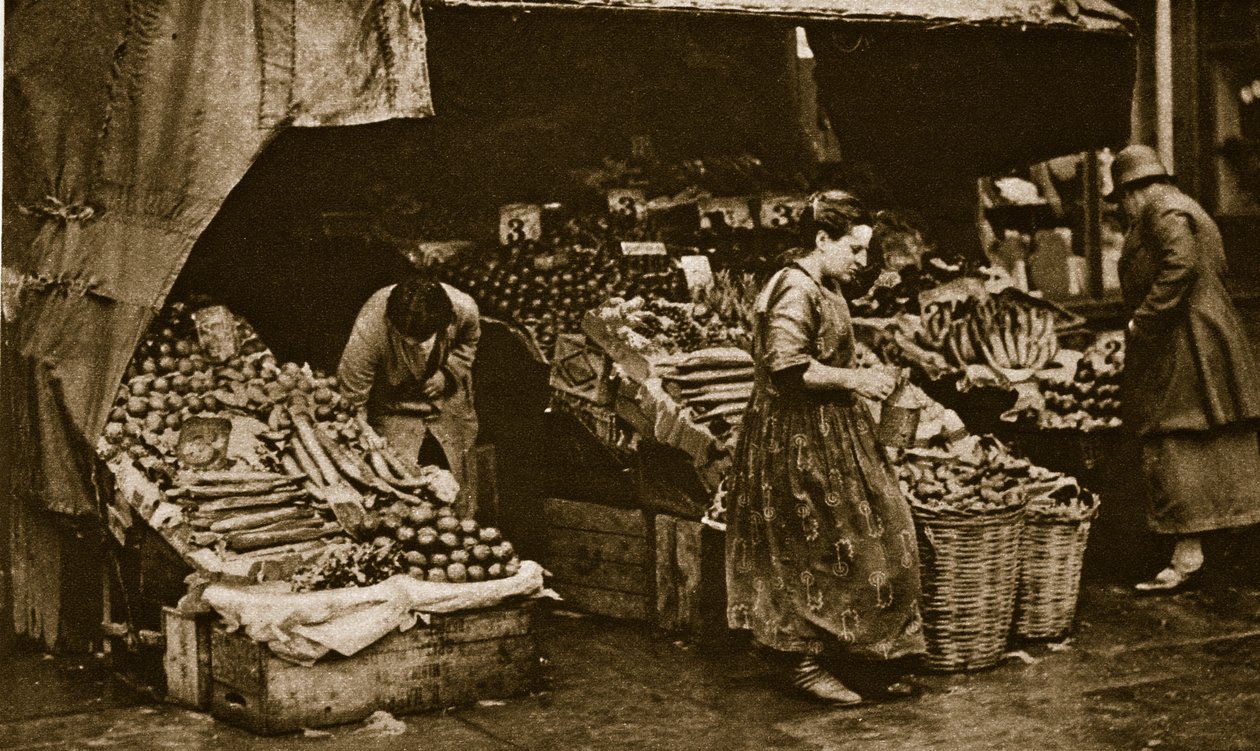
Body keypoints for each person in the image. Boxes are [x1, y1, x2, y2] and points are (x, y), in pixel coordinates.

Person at [725, 190, 925, 704]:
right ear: (821, 239)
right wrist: (856, 379)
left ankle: (863, 657)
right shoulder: (794, 286)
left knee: (879, 537)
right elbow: (787, 365)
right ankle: (799, 662)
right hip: (797, 439)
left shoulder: (825, 282)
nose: (862, 261)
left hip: (834, 431)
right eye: (854, 250)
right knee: (813, 549)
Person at [1108, 144, 1260, 593]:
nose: (1124, 210)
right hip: (1200, 335)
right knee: (1214, 436)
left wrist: (1144, 319)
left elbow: (1181, 264)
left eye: (1122, 200)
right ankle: (1202, 547)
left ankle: (1187, 553)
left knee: (1173, 433)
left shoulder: (1162, 211)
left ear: (1134, 190)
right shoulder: (1184, 205)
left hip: (1184, 338)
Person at [338, 275, 480, 488]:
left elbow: (469, 341)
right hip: (394, 405)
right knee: (396, 474)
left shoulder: (463, 308)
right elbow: (351, 397)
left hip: (446, 401)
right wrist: (363, 429)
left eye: (420, 337)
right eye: (403, 336)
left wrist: (448, 372)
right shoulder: (371, 325)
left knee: (457, 478)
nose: (410, 342)